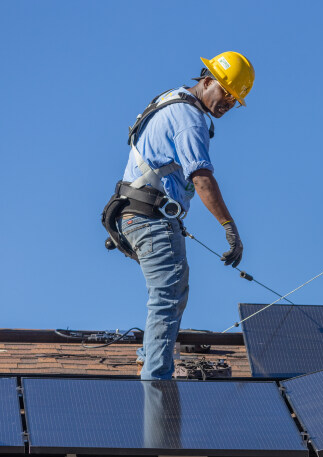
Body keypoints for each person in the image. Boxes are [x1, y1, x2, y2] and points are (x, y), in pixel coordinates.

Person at [101, 51, 254, 380]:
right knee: (168, 292)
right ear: (207, 80)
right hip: (149, 216)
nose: (228, 102)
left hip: (136, 212)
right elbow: (201, 178)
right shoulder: (190, 119)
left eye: (234, 99)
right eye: (226, 92)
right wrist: (229, 227)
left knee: (171, 287)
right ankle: (156, 379)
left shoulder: (171, 100)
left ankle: (150, 355)